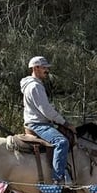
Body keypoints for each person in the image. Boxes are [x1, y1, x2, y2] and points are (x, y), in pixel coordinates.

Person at [20, 56, 76, 184]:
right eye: (44, 67)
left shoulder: (34, 85)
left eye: (46, 68)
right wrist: (65, 123)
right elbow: (46, 110)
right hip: (38, 124)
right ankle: (58, 179)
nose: (47, 70)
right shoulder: (35, 87)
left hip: (37, 122)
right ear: (35, 68)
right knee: (61, 142)